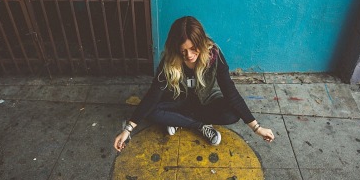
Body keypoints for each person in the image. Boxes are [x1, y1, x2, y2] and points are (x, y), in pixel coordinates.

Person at [113, 16, 275, 152]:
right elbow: (152, 95)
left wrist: (257, 128)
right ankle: (198, 125)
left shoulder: (214, 55)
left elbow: (230, 92)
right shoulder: (169, 62)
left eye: (193, 49)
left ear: (201, 43)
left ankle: (178, 120)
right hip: (178, 101)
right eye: (183, 51)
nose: (189, 55)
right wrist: (128, 130)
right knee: (150, 110)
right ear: (176, 49)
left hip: (205, 101)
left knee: (231, 115)